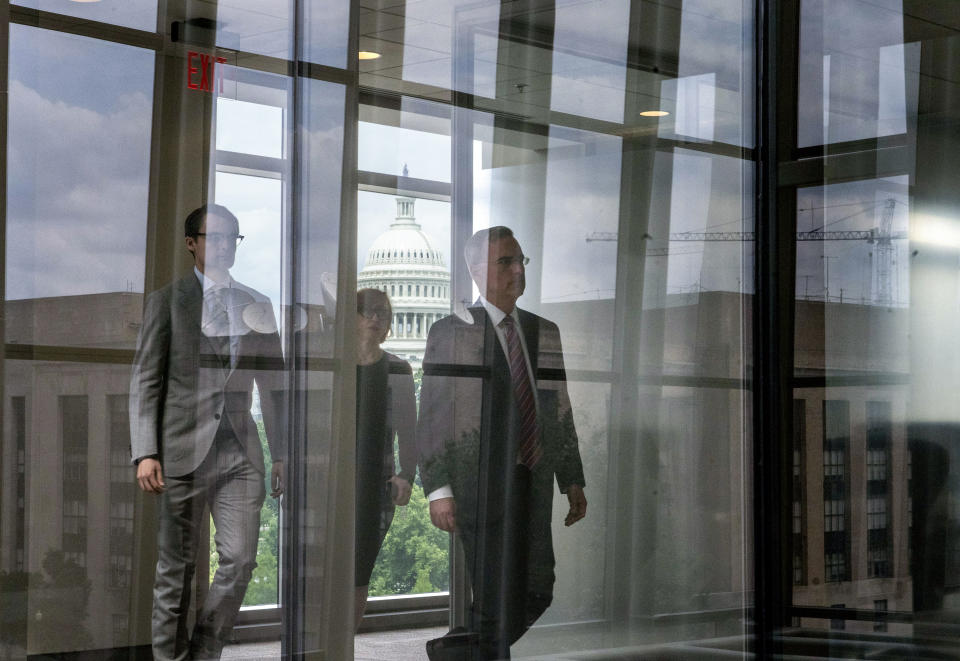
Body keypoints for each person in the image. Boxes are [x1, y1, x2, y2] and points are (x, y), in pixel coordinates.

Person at [417, 226, 587, 660]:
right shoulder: (451, 331)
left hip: (532, 477)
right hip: (477, 481)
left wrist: (572, 478)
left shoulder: (544, 331)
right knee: (493, 594)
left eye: (520, 260)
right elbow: (432, 415)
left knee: (537, 588)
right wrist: (438, 490)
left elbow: (560, 408)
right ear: (477, 272)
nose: (517, 270)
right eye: (505, 262)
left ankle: (453, 652)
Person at [129, 204, 286, 661]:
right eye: (213, 237)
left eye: (231, 238)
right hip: (179, 452)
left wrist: (282, 452)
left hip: (240, 451)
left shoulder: (258, 305)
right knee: (175, 571)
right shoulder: (166, 302)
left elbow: (273, 386)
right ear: (191, 243)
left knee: (239, 562)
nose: (222, 246)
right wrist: (145, 451)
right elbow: (145, 381)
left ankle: (203, 652)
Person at [353, 288, 417, 629]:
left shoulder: (398, 369)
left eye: (383, 313)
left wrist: (407, 475)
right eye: (368, 311)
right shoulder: (334, 364)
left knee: (359, 570)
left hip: (376, 484)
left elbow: (409, 430)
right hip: (331, 481)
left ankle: (343, 644)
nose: (376, 318)